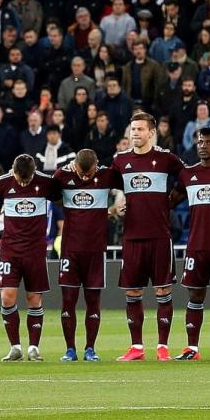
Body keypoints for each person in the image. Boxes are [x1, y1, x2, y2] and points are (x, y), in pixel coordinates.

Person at [111, 111, 185, 362]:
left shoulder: (166, 159)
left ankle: (163, 346)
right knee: (132, 293)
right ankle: (136, 347)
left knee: (163, 291)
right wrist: (118, 205)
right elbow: (105, 183)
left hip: (160, 236)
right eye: (132, 129)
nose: (135, 134)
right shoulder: (120, 161)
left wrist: (171, 201)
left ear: (151, 133)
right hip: (132, 236)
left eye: (140, 130)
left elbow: (188, 178)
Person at [0, 154, 58, 362]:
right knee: (7, 296)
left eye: (27, 180)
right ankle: (15, 346)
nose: (23, 183)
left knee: (34, 299)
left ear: (34, 172)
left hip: (35, 250)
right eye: (20, 179)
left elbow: (63, 196)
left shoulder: (45, 182)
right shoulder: (3, 183)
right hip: (10, 249)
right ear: (12, 170)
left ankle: (34, 347)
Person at [53, 149, 123, 362]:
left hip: (96, 251)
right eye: (81, 173)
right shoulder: (61, 176)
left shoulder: (107, 175)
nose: (84, 177)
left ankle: (90, 348)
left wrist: (113, 209)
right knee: (68, 301)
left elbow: (133, 183)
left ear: (97, 165)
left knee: (93, 300)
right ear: (74, 164)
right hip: (70, 251)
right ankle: (70, 349)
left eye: (89, 173)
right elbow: (49, 195)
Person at [171, 128, 210, 360]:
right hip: (196, 245)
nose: (203, 145)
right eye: (200, 142)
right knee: (195, 296)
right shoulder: (188, 174)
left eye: (209, 142)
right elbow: (170, 201)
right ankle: (192, 348)